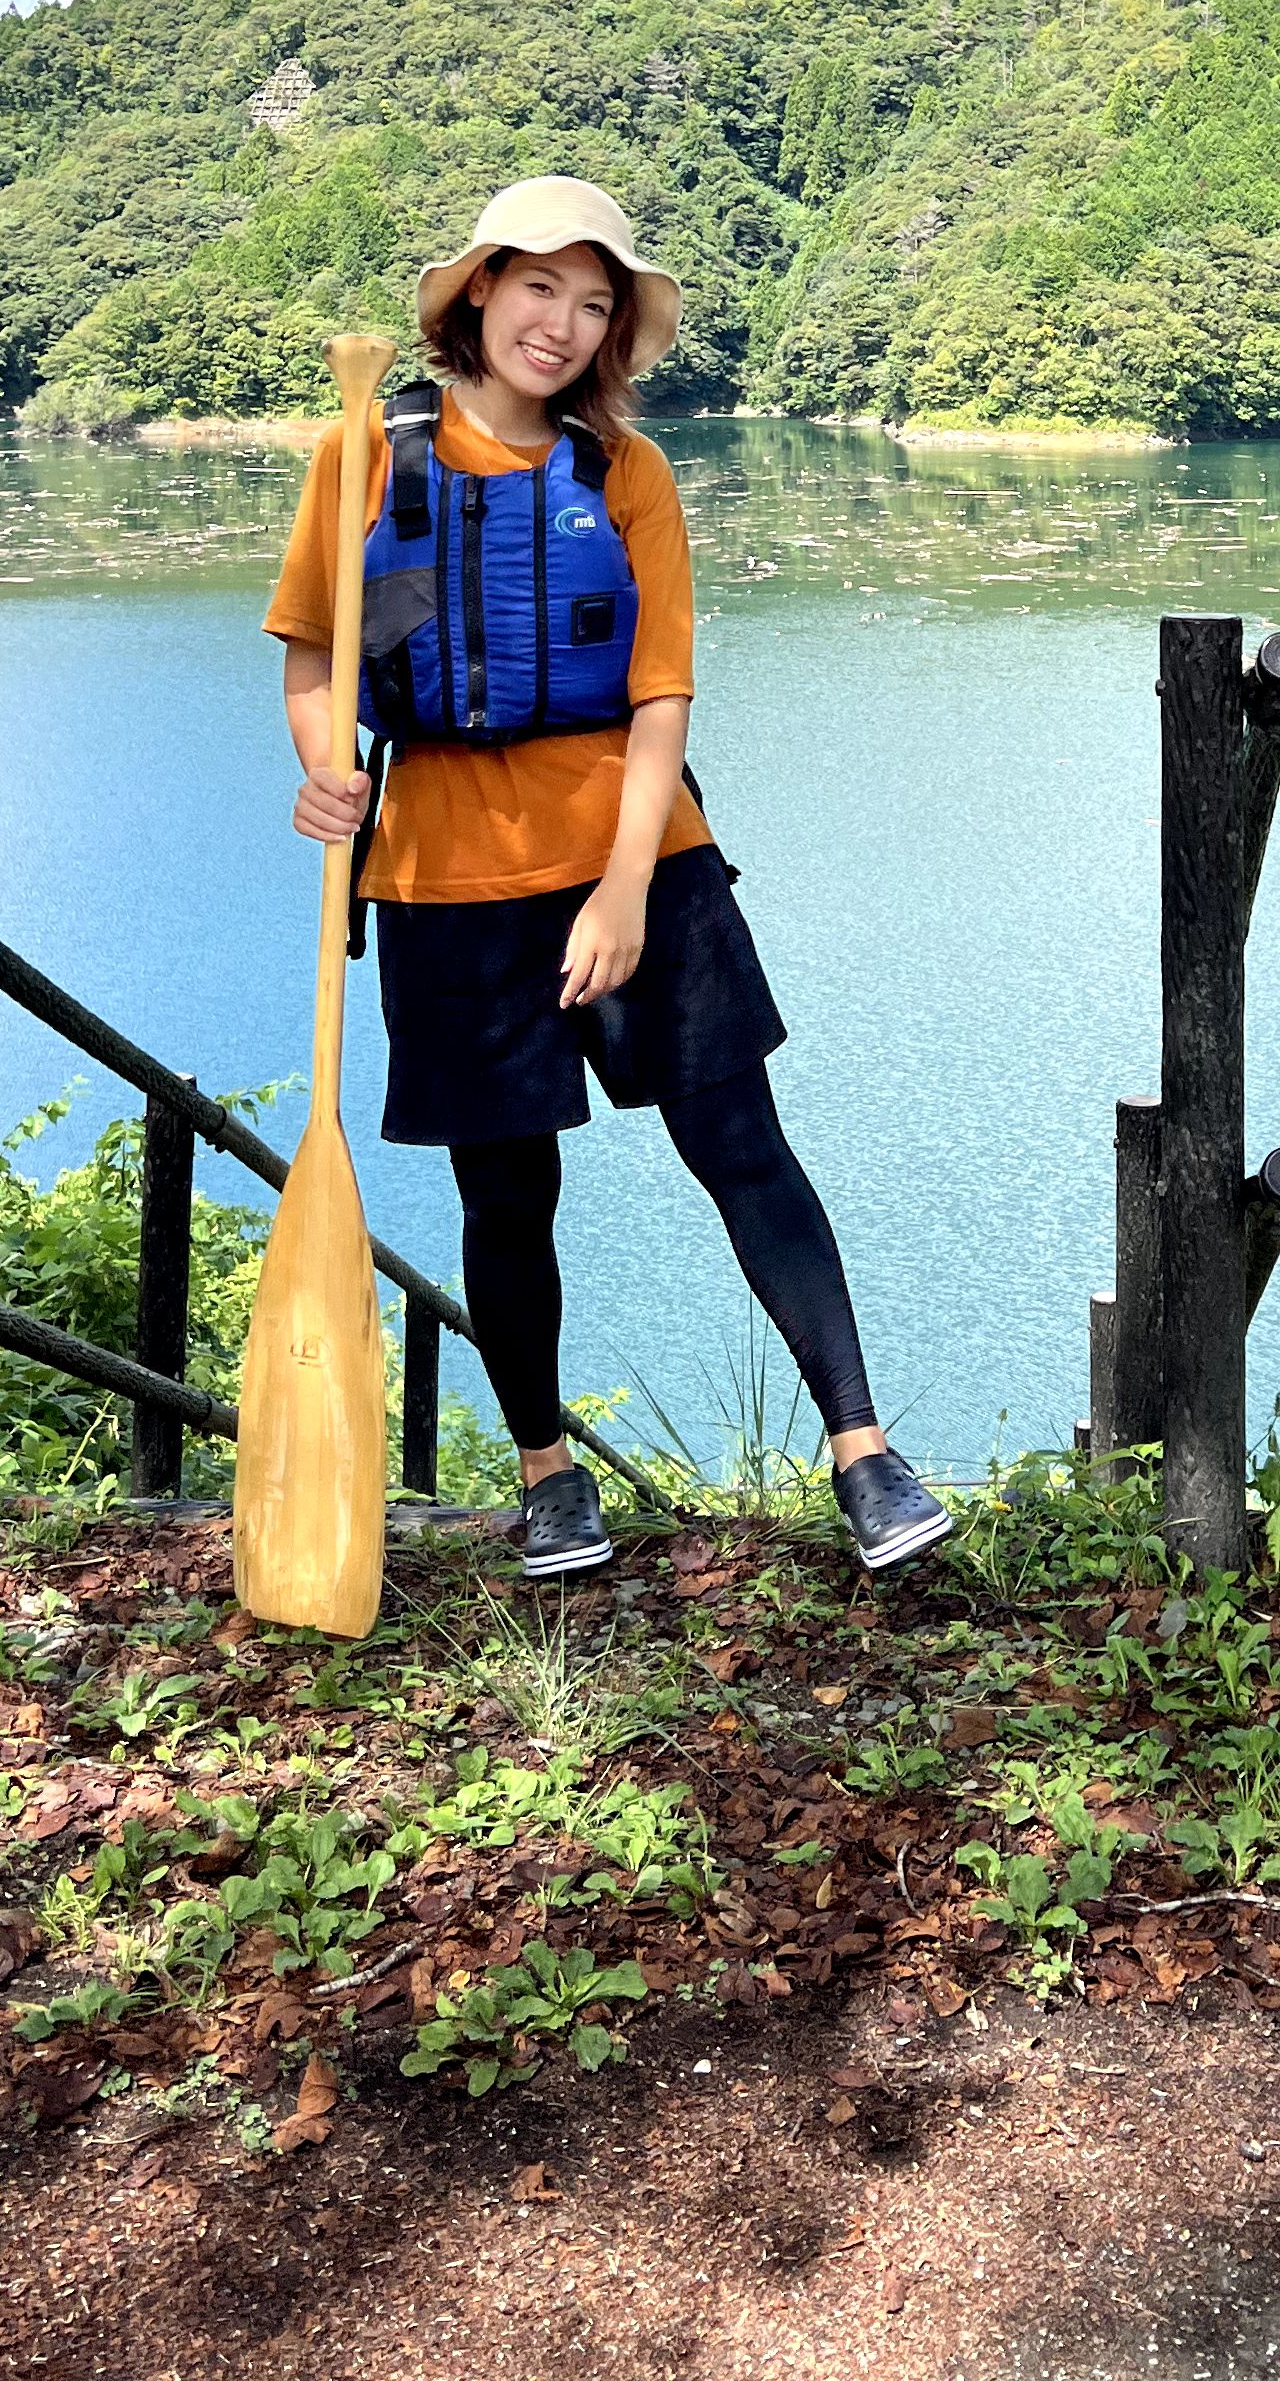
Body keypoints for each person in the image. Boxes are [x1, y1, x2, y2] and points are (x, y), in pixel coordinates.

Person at [264, 174, 950, 1584]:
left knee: (743, 1151)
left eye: (595, 305)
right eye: (540, 291)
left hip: (641, 860)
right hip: (445, 881)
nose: (563, 325)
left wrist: (626, 889)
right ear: (477, 294)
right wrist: (325, 767)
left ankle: (863, 1454)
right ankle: (548, 1474)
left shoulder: (623, 473)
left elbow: (660, 697)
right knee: (505, 1197)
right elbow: (318, 659)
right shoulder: (368, 458)